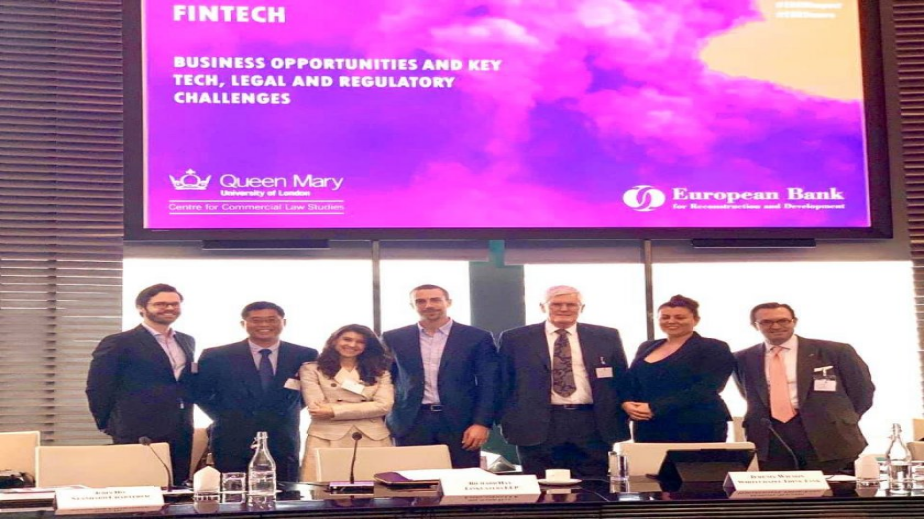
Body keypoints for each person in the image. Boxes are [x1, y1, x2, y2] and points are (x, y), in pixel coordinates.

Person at [497, 285, 630, 478]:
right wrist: (506, 418)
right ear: (543, 307)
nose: (564, 309)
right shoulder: (516, 338)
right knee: (541, 485)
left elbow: (621, 378)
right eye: (556, 304)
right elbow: (503, 382)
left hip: (592, 423)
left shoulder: (606, 336)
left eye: (571, 304)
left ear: (581, 308)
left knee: (594, 485)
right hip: (536, 424)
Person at [734, 302, 875, 473]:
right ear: (755, 325)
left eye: (783, 320)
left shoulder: (835, 351)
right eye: (766, 322)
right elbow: (747, 393)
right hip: (771, 437)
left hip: (830, 436)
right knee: (779, 489)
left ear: (794, 321)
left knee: (834, 488)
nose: (776, 326)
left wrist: (844, 419)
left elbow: (862, 391)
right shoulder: (742, 358)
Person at [85, 283, 195, 486]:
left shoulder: (187, 341)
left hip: (180, 428)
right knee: (139, 486)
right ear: (141, 308)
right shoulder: (119, 342)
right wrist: (109, 424)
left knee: (177, 488)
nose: (169, 308)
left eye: (175, 304)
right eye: (161, 304)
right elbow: (98, 386)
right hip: (137, 428)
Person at [196, 301, 318, 482]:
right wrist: (227, 415)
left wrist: (284, 411)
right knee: (233, 492)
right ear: (243, 324)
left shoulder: (304, 354)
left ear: (284, 322)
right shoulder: (216, 355)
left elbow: (309, 392)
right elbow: (201, 393)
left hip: (282, 436)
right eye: (256, 320)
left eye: (271, 319)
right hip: (232, 436)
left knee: (285, 492)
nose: (264, 325)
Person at [383, 284, 499, 468]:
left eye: (435, 300)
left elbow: (489, 384)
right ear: (412, 306)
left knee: (462, 479)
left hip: (461, 422)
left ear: (448, 302)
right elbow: (386, 380)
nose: (428, 305)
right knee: (412, 480)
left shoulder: (476, 337)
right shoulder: (394, 338)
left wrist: (481, 423)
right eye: (420, 301)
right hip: (410, 421)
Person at [621, 295, 735, 443]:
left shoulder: (714, 347)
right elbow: (631, 381)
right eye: (665, 317)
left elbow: (709, 387)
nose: (671, 321)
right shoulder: (646, 346)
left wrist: (655, 407)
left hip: (698, 423)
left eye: (680, 317)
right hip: (649, 424)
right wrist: (627, 403)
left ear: (696, 320)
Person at [299, 324, 394, 482]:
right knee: (322, 488)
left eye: (360, 342)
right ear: (335, 340)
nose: (352, 345)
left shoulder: (379, 372)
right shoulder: (312, 369)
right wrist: (368, 407)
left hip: (371, 437)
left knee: (377, 488)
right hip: (327, 436)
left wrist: (334, 411)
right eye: (347, 339)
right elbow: (317, 408)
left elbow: (384, 405)